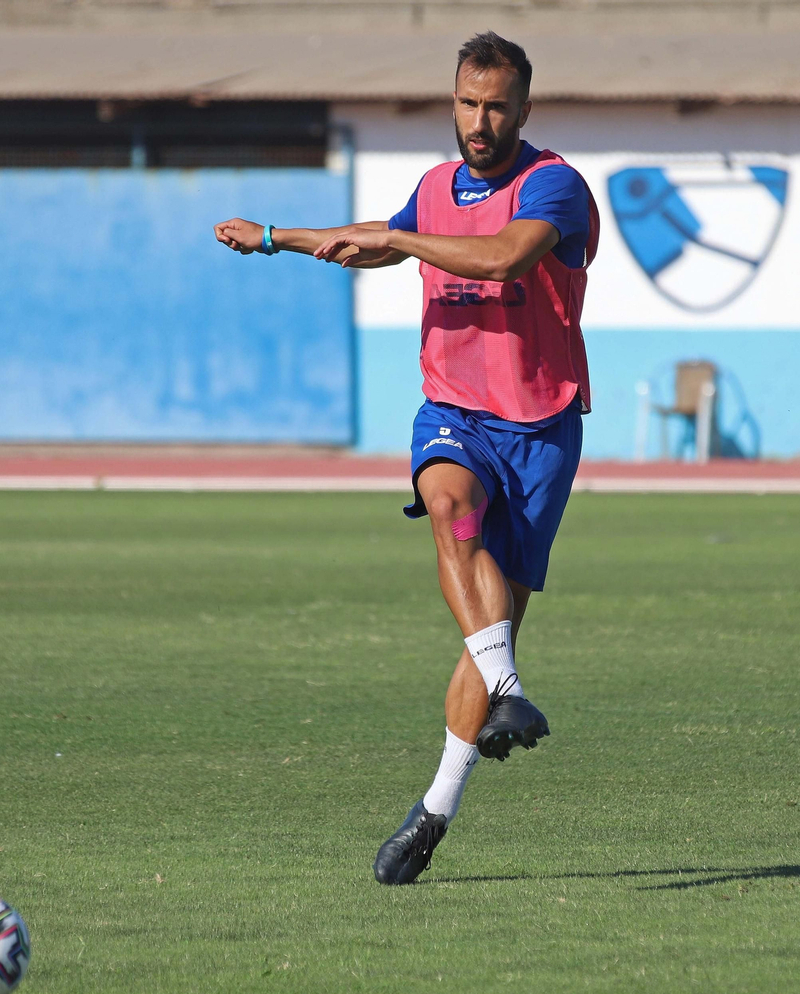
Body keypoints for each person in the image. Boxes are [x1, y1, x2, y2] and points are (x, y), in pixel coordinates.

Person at [215, 31, 599, 885]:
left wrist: (410, 242)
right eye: (467, 102)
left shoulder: (556, 186)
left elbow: (501, 257)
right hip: (455, 412)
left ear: (523, 110)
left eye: (496, 106)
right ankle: (509, 689)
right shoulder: (434, 187)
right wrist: (278, 235)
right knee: (451, 507)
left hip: (540, 425)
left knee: (488, 630)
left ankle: (435, 807)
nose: (479, 120)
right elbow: (374, 238)